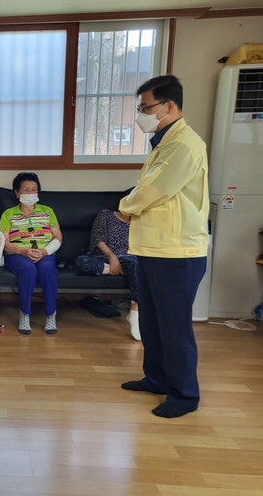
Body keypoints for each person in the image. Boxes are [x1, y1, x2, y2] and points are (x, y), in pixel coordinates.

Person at [119, 75, 208, 418]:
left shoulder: (183, 145)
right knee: (153, 322)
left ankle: (184, 396)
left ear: (169, 106)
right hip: (154, 249)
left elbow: (154, 190)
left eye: (146, 107)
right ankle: (156, 378)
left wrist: (125, 207)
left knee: (174, 327)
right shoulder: (165, 142)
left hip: (176, 252)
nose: (141, 114)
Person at [0, 172, 63, 335]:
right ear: (17, 193)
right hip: (17, 254)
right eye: (26, 190)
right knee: (28, 270)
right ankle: (25, 314)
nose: (31, 193)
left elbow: (58, 237)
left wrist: (44, 251)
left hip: (44, 252)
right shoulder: (8, 214)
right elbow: (4, 242)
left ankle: (51, 314)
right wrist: (22, 251)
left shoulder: (47, 211)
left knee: (48, 269)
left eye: (34, 189)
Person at [75, 209, 141, 341]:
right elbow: (97, 239)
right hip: (102, 258)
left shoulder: (140, 221)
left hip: (128, 259)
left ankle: (134, 313)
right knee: (81, 261)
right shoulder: (105, 214)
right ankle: (113, 270)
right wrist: (113, 259)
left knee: (138, 264)